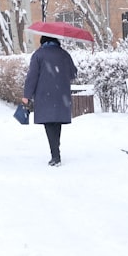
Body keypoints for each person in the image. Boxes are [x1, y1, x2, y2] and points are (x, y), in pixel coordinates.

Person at [22, 35, 78, 166]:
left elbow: (32, 77)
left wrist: (27, 95)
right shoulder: (64, 54)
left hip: (44, 94)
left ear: (43, 42)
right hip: (61, 95)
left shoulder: (38, 55)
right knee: (57, 123)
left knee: (49, 124)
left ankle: (55, 155)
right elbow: (73, 74)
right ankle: (55, 151)